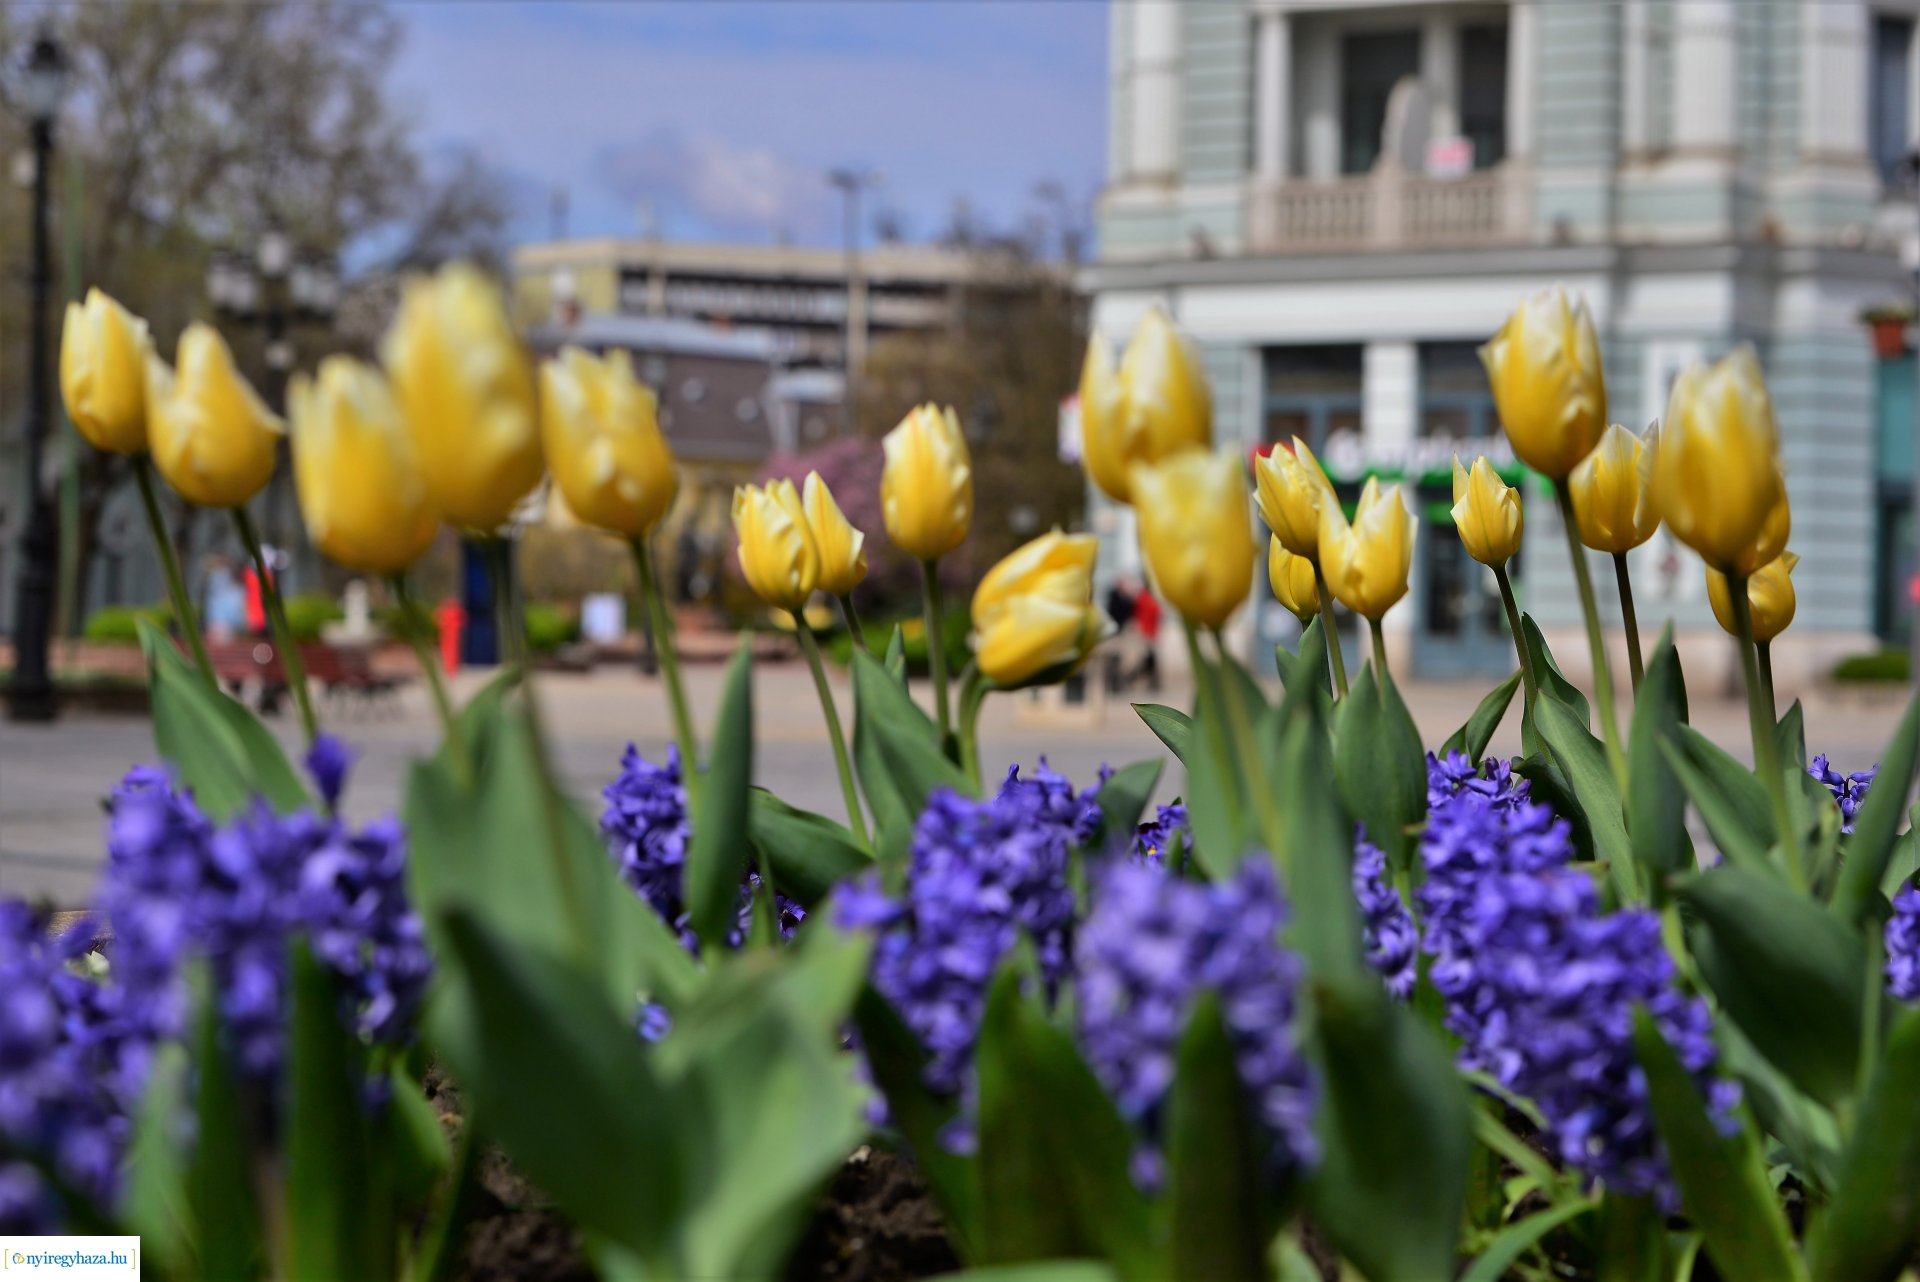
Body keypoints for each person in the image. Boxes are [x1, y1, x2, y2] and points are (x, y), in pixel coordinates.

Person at [202, 555, 247, 642]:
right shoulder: (214, 594)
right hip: (217, 629)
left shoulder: (235, 593)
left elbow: (240, 618)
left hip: (227, 631)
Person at [1133, 585, 1162, 692]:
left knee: (1149, 658)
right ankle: (1149, 680)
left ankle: (1151, 680)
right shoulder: (1147, 599)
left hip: (1148, 631)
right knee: (1149, 659)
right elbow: (1155, 613)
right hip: (1148, 632)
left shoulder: (1143, 598)